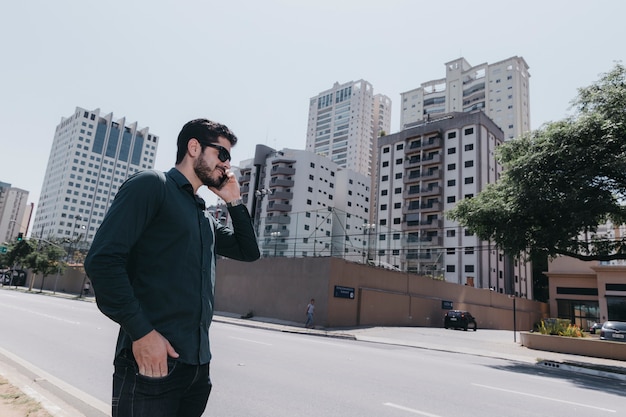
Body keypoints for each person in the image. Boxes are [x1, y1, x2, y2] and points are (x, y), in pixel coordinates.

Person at [84, 118, 260, 417]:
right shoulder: (152, 185)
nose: (227, 166)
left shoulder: (204, 217)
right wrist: (142, 333)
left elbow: (249, 251)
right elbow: (102, 261)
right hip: (152, 364)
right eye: (222, 154)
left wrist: (234, 202)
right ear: (194, 147)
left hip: (196, 370)